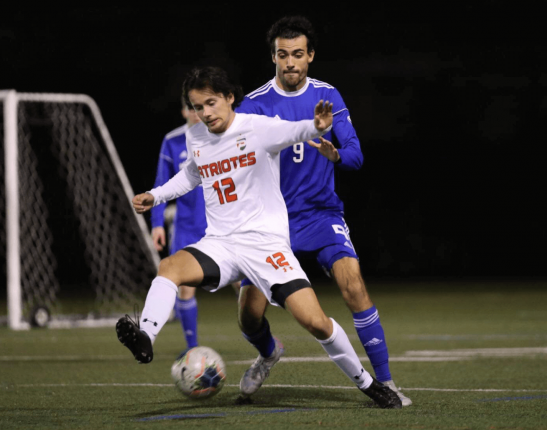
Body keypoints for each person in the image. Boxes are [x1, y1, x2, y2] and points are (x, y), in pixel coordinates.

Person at [116, 66, 401, 409]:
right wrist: (156, 195)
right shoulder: (197, 137)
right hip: (220, 243)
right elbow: (193, 172)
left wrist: (318, 126)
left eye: (210, 103)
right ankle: (146, 335)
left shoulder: (257, 128)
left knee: (315, 322)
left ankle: (370, 385)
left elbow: (295, 130)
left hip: (265, 246)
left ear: (229, 98)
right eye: (197, 107)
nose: (204, 113)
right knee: (170, 267)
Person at [235, 16, 412, 406]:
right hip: (270, 223)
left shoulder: (329, 96)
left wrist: (335, 155)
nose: (290, 63)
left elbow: (356, 156)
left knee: (354, 286)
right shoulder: (253, 104)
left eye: (298, 54)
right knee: (248, 316)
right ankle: (268, 352)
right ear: (274, 57)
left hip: (320, 215)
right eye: (283, 55)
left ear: (311, 56)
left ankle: (386, 383)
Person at [151, 99, 241, 350]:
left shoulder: (224, 135)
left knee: (243, 282)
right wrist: (157, 223)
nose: (196, 112)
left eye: (199, 107)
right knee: (185, 288)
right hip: (187, 226)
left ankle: (259, 339)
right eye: (191, 107)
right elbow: (162, 183)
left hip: (223, 223)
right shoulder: (173, 140)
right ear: (183, 110)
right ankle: (193, 349)